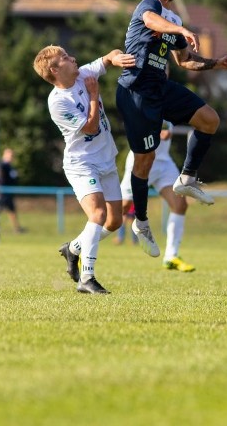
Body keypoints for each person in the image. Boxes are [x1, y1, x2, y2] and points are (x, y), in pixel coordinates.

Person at [116, 0, 227, 248]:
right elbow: (150, 22)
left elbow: (185, 61)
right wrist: (180, 31)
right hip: (136, 90)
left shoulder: (174, 22)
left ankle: (188, 177)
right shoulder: (149, 6)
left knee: (210, 119)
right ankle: (141, 222)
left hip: (160, 87)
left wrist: (215, 63)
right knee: (144, 161)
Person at [33, 44, 140, 294]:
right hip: (82, 164)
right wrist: (93, 95)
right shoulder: (58, 102)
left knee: (114, 222)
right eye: (65, 58)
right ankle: (87, 278)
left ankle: (73, 249)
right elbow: (90, 128)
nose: (73, 58)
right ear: (55, 69)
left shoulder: (82, 74)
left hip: (106, 159)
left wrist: (118, 58)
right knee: (98, 215)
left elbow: (108, 56)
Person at [119, 120, 195, 272]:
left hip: (163, 162)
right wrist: (158, 133)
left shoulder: (169, 98)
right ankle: (82, 244)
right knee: (118, 211)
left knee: (180, 205)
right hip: (141, 159)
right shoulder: (142, 99)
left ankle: (171, 256)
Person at [0, 148, 25, 233]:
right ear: (4, 155)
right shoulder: (3, 165)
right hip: (2, 192)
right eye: (9, 155)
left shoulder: (10, 166)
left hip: (8, 192)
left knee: (11, 210)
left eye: (12, 155)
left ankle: (16, 228)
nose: (11, 157)